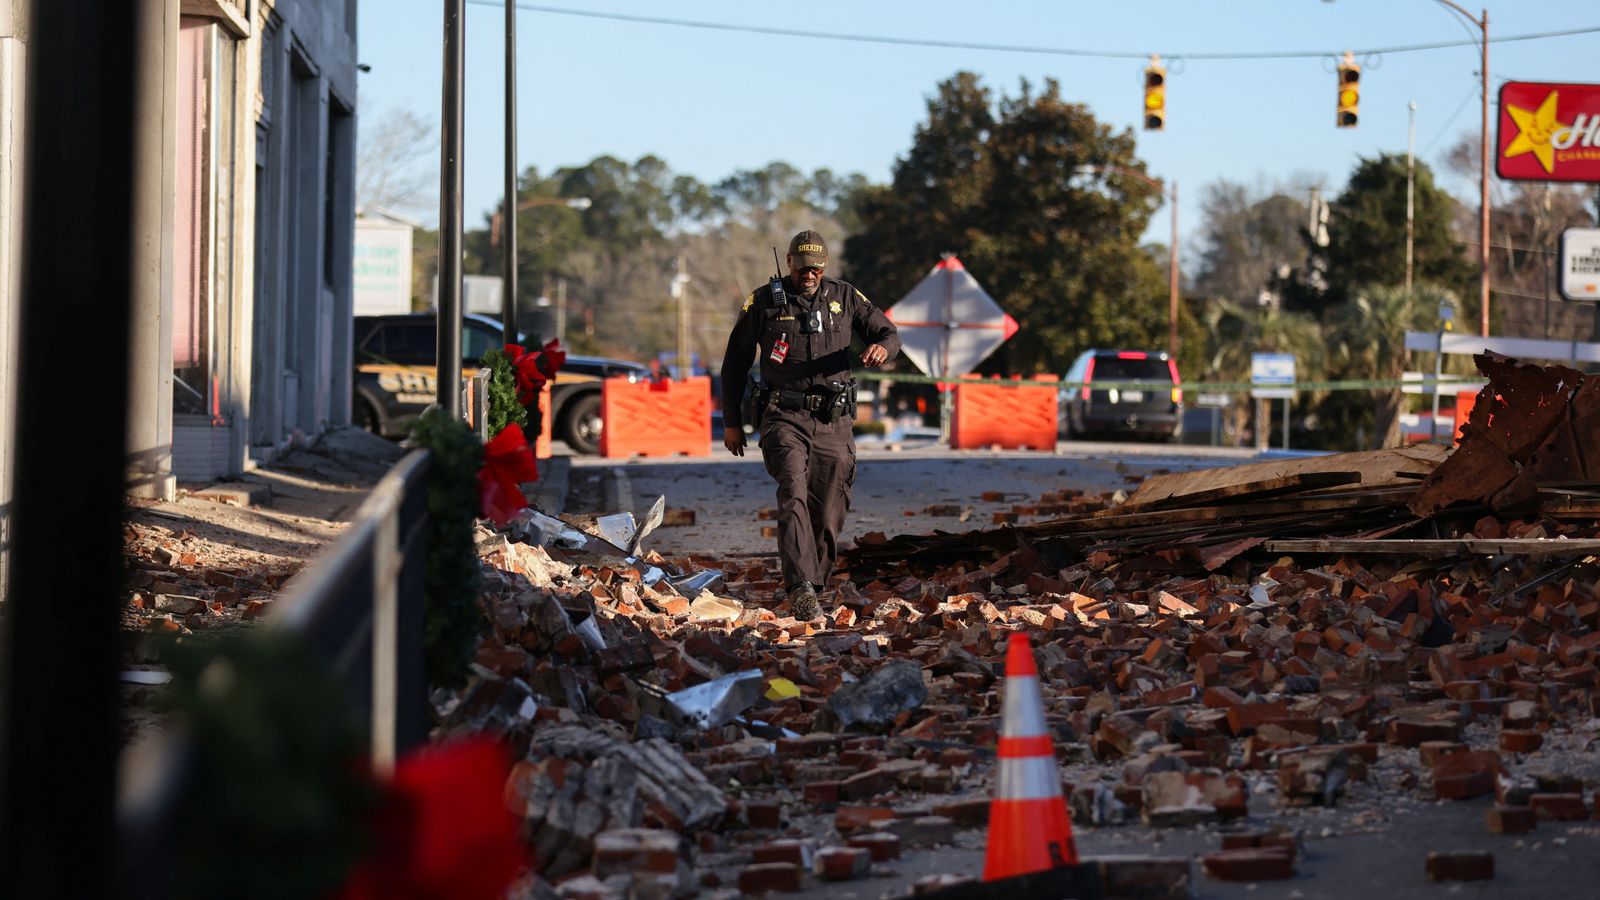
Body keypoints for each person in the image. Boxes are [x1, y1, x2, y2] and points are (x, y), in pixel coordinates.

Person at [719, 230, 900, 622]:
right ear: (789, 262)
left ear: (825, 266)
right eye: (803, 266)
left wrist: (882, 347)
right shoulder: (764, 301)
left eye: (817, 267)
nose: (810, 274)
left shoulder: (845, 296)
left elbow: (889, 332)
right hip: (784, 416)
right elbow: (734, 363)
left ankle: (814, 582)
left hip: (834, 421)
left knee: (830, 507)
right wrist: (732, 422)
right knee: (793, 492)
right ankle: (800, 586)